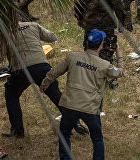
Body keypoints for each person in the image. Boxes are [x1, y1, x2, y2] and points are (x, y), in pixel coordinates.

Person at [40, 29, 124, 160]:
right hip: (90, 108)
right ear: (101, 44)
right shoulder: (104, 65)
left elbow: (54, 72)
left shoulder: (73, 57)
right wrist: (118, 53)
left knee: (65, 134)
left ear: (86, 42)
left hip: (69, 105)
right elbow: (120, 72)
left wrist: (44, 84)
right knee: (97, 138)